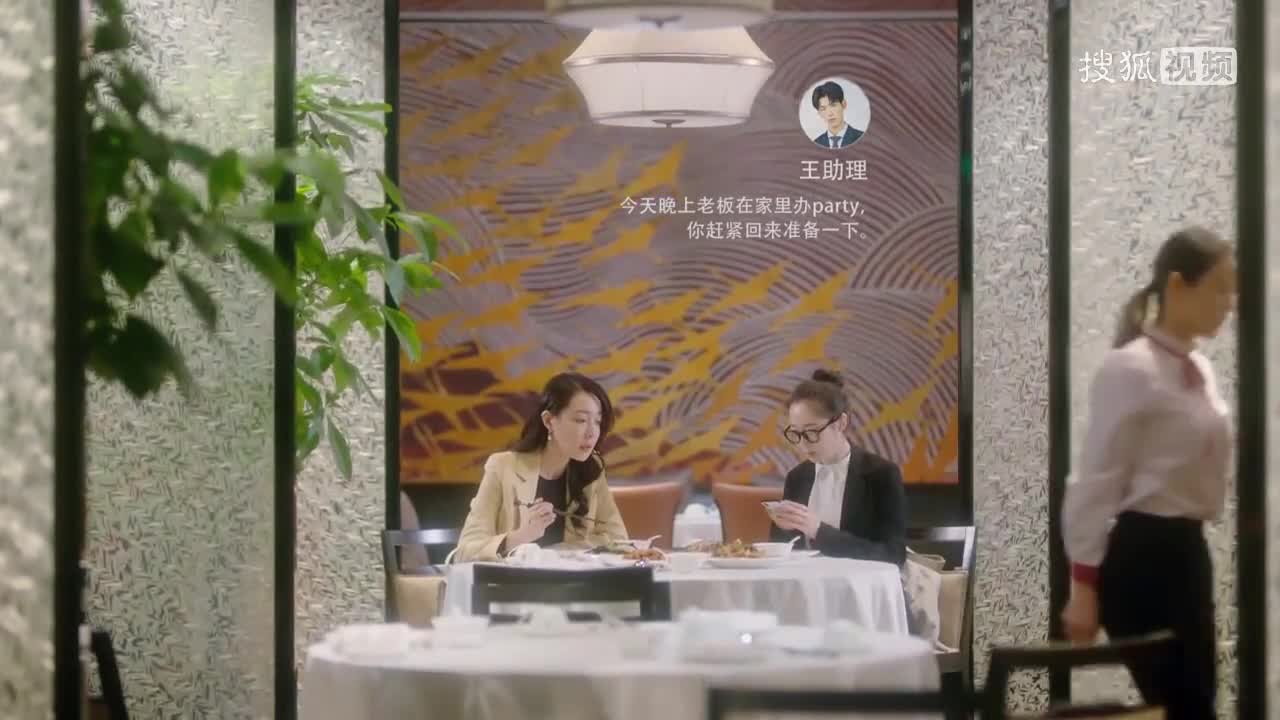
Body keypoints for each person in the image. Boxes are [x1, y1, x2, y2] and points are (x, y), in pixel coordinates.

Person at [1060, 227, 1235, 720]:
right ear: (1178, 285)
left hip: (1188, 553)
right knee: (1185, 708)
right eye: (1219, 288)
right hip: (1144, 558)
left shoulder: (1199, 369)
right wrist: (1083, 588)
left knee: (1196, 706)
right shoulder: (1129, 368)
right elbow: (1096, 481)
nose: (1229, 303)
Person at [455, 372, 629, 561]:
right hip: (515, 580)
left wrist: (554, 553)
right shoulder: (502, 467)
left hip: (572, 579)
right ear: (548, 421)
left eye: (597, 421)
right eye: (581, 420)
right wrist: (521, 536)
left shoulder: (591, 469)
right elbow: (465, 552)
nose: (592, 432)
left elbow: (618, 540)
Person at [767, 369, 906, 563]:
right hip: (805, 580)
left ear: (840, 423)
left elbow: (893, 555)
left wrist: (818, 530)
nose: (803, 444)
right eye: (796, 433)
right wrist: (783, 529)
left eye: (811, 432)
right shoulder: (797, 477)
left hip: (858, 581)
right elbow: (784, 551)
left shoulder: (881, 474)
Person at [810, 81, 863, 149]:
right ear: (819, 113)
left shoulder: (861, 138)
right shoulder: (816, 143)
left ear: (844, 104)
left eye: (833, 105)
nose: (829, 113)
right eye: (823, 109)